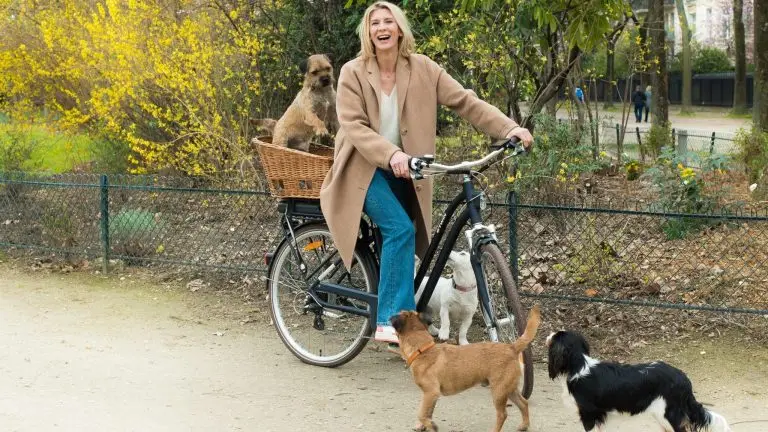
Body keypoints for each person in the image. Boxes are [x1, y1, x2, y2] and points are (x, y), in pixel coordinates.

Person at [319, 1, 534, 352]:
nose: (382, 27)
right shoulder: (353, 72)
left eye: (389, 21)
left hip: (408, 168)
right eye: (375, 23)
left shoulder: (423, 69)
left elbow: (466, 102)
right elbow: (354, 127)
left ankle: (407, 307)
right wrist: (392, 154)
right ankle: (395, 320)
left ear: (400, 29)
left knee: (414, 236)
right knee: (401, 229)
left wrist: (510, 127)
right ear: (367, 32)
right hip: (363, 168)